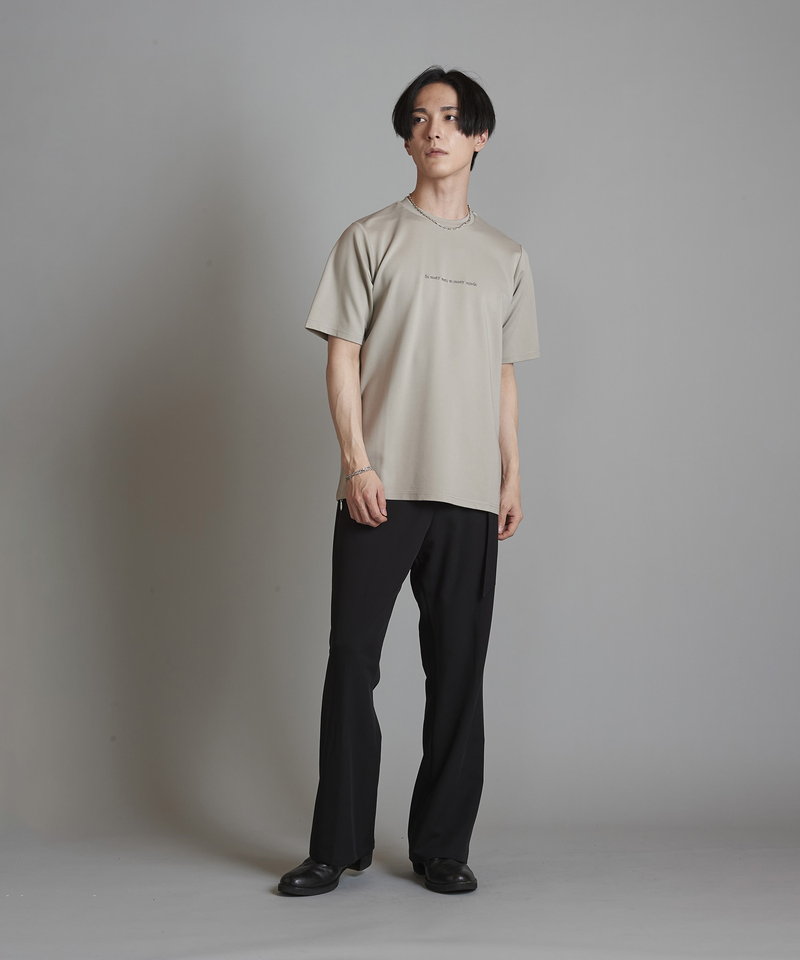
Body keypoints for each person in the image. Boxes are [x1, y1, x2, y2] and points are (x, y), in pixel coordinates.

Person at [278, 65, 540, 897]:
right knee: (352, 661)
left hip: (470, 493)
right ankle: (336, 846)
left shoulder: (507, 256)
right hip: (380, 487)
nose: (435, 130)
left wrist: (511, 473)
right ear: (405, 138)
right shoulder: (369, 238)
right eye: (421, 118)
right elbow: (342, 356)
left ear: (479, 136)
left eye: (452, 118)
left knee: (458, 672)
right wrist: (357, 462)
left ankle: (442, 848)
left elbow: (503, 374)